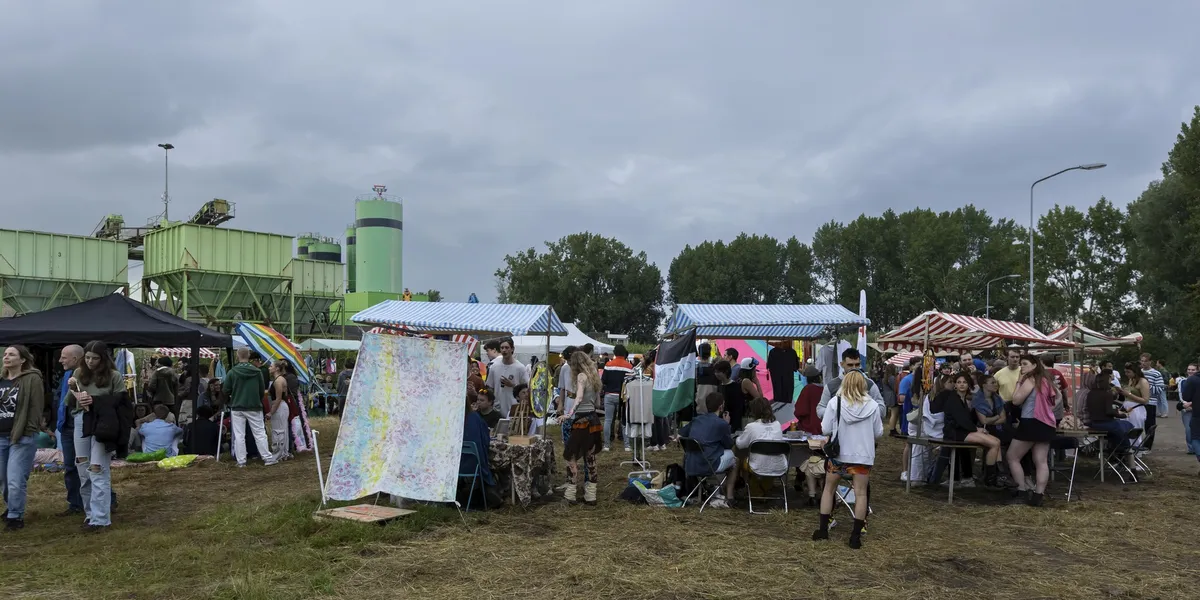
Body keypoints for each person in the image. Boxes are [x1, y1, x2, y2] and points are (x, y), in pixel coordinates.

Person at [812, 371, 882, 549]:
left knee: (829, 489)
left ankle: (823, 530)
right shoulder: (873, 405)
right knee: (861, 494)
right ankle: (855, 536)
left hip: (838, 455)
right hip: (862, 457)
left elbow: (825, 428)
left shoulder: (835, 402)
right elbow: (878, 433)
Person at [68, 341, 124, 531]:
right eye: (87, 357)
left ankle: (100, 519)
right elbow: (70, 402)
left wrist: (95, 400)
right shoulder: (78, 373)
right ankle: (90, 514)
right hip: (81, 420)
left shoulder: (114, 376)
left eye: (95, 358)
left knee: (97, 468)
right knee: (82, 467)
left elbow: (122, 402)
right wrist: (73, 390)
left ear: (103, 359)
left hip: (103, 423)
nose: (90, 362)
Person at [1, 345, 45, 531]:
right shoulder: (1, 380)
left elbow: (36, 407)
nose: (6, 357)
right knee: (3, 478)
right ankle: (11, 506)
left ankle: (15, 516)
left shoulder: (32, 379)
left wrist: (29, 431)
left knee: (15, 478)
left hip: (21, 435)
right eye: (5, 354)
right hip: (0, 436)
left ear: (23, 359)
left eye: (12, 354)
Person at [1006, 354, 1058, 507]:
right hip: (1047, 423)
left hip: (1031, 421)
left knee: (1012, 456)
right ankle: (1038, 495)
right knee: (1041, 461)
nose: (1021, 366)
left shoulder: (1030, 380)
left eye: (1024, 363)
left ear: (1034, 365)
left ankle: (1021, 491)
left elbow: (1016, 400)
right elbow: (1058, 398)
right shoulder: (1046, 380)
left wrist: (1018, 382)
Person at [679, 392, 738, 509]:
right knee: (735, 460)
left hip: (690, 464)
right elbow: (729, 444)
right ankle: (730, 496)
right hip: (709, 465)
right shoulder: (721, 424)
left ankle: (708, 489)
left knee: (713, 453)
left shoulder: (696, 420)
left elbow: (681, 435)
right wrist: (727, 425)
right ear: (721, 407)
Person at [943, 373, 1003, 487]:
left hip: (963, 430)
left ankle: (999, 475)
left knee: (997, 441)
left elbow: (966, 420)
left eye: (964, 382)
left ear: (968, 385)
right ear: (955, 385)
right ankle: (991, 479)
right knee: (994, 443)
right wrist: (977, 429)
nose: (961, 384)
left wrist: (977, 429)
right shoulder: (953, 399)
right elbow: (960, 420)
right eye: (959, 382)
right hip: (955, 432)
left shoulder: (963, 399)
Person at [223, 348, 276, 468]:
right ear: (249, 356)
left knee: (239, 435)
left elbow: (226, 389)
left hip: (237, 406)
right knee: (260, 433)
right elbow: (262, 390)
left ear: (237, 356)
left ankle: (241, 461)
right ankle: (267, 458)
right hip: (254, 406)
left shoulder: (232, 372)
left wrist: (233, 396)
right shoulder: (257, 371)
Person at [562, 351, 602, 506]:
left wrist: (569, 414)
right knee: (590, 457)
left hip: (581, 422)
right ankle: (591, 496)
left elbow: (579, 397)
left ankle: (570, 494)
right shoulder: (594, 377)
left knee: (570, 456)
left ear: (575, 364)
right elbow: (597, 403)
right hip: (593, 420)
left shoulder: (581, 376)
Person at [55, 344, 88, 516]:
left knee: (88, 465)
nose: (60, 360)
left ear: (75, 359)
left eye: (63, 357)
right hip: (67, 427)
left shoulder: (88, 375)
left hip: (82, 426)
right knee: (70, 466)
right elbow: (62, 400)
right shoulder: (67, 375)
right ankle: (75, 504)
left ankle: (106, 500)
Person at [1084, 369, 1135, 469]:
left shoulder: (1090, 393)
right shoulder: (1107, 394)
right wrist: (1123, 415)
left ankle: (1116, 453)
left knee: (1118, 431)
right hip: (1105, 423)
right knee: (1127, 426)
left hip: (1094, 423)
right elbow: (1109, 411)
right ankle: (1127, 457)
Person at [817, 348, 885, 422]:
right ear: (842, 364)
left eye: (857, 364)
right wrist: (838, 413)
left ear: (860, 363)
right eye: (850, 365)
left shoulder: (869, 384)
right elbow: (820, 409)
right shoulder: (831, 386)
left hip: (864, 427)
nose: (854, 368)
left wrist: (865, 414)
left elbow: (882, 409)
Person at [735, 397, 787, 490]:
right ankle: (762, 488)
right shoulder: (777, 425)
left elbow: (740, 444)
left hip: (757, 466)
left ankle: (749, 488)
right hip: (778, 466)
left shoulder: (751, 426)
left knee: (741, 458)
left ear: (754, 411)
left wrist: (738, 437)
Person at [460, 391, 497, 509]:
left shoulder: (452, 418)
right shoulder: (475, 417)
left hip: (456, 465)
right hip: (474, 463)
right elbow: (485, 439)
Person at [600, 345, 634, 452]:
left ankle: (606, 445)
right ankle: (627, 445)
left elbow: (603, 380)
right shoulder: (629, 366)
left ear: (614, 353)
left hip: (609, 395)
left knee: (608, 420)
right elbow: (631, 383)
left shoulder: (608, 365)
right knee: (624, 420)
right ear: (624, 353)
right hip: (623, 397)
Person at [486, 338, 528, 417]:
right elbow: (490, 387)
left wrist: (513, 385)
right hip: (497, 409)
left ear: (512, 349)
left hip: (514, 409)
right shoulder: (494, 367)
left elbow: (527, 388)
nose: (504, 350)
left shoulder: (520, 368)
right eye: (502, 348)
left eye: (507, 347)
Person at [267, 360, 296, 462]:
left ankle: (279, 453)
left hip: (279, 407)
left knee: (278, 431)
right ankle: (284, 452)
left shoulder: (278, 381)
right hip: (281, 406)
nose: (269, 368)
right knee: (282, 429)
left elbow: (279, 398)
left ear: (277, 368)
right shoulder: (280, 379)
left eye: (271, 366)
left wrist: (271, 412)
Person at [146, 356, 179, 422]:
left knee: (158, 419)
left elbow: (152, 386)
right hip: (171, 400)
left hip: (158, 400)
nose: (157, 364)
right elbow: (177, 388)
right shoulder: (174, 373)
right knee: (171, 419)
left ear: (161, 363)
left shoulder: (157, 372)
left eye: (158, 363)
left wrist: (151, 392)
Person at [794, 367, 823, 435]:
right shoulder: (824, 389)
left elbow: (800, 411)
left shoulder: (808, 389)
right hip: (823, 426)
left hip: (810, 427)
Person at [1181, 363, 1197, 454]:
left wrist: (1192, 404)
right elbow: (1181, 394)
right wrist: (1185, 404)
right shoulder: (1183, 381)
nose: (1190, 371)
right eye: (1189, 369)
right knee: (1188, 429)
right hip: (1186, 407)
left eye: (1193, 370)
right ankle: (1191, 448)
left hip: (1196, 407)